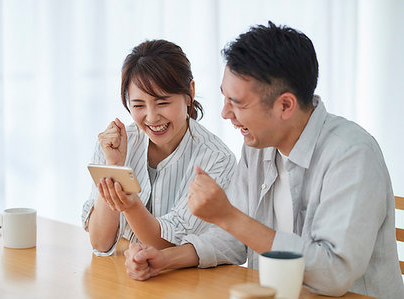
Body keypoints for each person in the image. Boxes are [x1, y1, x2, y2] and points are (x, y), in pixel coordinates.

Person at [123, 23, 404, 299]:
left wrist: (227, 215)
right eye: (225, 98)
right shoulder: (259, 145)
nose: (225, 113)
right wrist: (164, 259)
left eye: (238, 103)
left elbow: (333, 275)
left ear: (285, 105)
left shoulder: (351, 155)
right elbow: (233, 240)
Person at [82, 39, 236, 256]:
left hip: (190, 282)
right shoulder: (114, 145)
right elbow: (99, 242)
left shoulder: (216, 158)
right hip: (128, 276)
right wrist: (114, 166)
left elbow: (167, 245)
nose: (152, 117)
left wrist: (130, 205)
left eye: (163, 103)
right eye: (138, 105)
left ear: (189, 93)